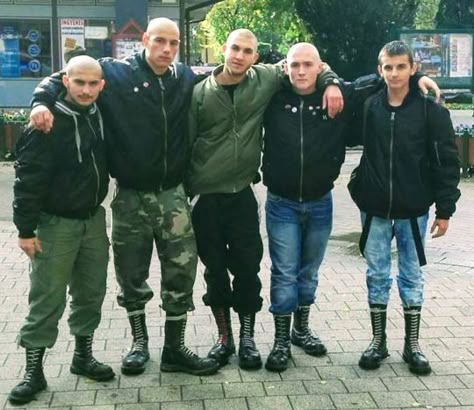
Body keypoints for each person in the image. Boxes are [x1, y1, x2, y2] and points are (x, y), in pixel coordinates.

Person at [28, 17, 219, 377]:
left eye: (174, 43)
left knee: (181, 270)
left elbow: (228, 74)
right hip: (130, 195)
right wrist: (40, 102)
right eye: (159, 40)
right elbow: (64, 76)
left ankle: (175, 348)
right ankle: (139, 344)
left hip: (172, 195)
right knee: (130, 273)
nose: (166, 49)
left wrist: (326, 78)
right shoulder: (114, 73)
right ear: (145, 39)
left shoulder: (183, 77)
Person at [261, 42, 441, 372]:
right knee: (284, 272)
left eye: (308, 64)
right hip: (281, 202)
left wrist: (417, 79)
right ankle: (281, 341)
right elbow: (240, 78)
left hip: (320, 201)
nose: (301, 71)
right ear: (285, 67)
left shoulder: (340, 94)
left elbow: (383, 78)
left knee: (309, 273)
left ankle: (302, 329)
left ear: (320, 67)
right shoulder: (271, 94)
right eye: (295, 64)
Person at [187, 29, 344, 370]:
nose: (240, 56)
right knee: (215, 271)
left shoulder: (265, 80)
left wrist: (331, 82)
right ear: (223, 49)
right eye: (235, 48)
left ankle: (247, 339)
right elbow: (185, 142)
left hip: (243, 195)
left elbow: (308, 63)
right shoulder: (200, 92)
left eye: (248, 51)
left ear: (256, 57)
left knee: (248, 270)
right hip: (206, 198)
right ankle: (224, 338)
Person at [348, 40, 460, 375]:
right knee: (376, 274)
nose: (394, 73)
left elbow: (447, 162)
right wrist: (360, 188)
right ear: (380, 70)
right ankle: (378, 341)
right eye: (388, 67)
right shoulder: (370, 105)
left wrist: (445, 210)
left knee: (411, 275)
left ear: (413, 68)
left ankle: (412, 345)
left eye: (401, 67)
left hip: (413, 209)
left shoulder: (431, 112)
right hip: (375, 208)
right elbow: (347, 87)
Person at [9, 56, 113, 405]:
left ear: (102, 85)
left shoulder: (100, 111)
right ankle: (33, 371)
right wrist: (25, 230)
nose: (86, 90)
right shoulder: (45, 122)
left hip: (93, 220)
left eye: (93, 84)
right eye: (78, 82)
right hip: (55, 224)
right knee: (47, 297)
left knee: (90, 293)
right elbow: (27, 180)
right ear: (66, 81)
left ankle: (83, 356)